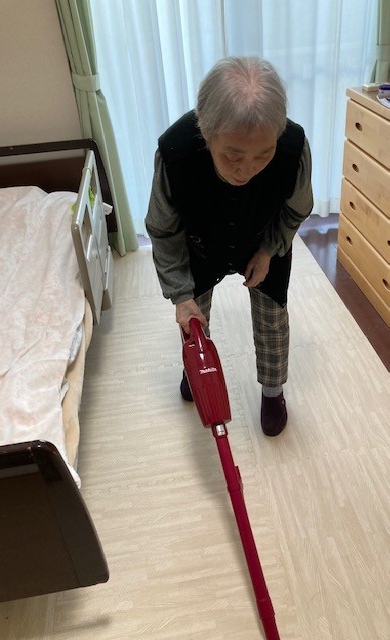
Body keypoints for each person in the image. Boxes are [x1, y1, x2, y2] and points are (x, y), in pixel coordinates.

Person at [146, 56, 313, 436]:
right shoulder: (175, 151)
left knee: (272, 316)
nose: (247, 170)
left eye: (263, 155)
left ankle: (273, 392)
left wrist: (269, 250)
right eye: (232, 156)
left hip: (264, 235)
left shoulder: (293, 147)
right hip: (200, 241)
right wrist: (180, 295)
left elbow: (297, 208)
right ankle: (195, 368)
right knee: (193, 317)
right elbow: (162, 229)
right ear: (204, 130)